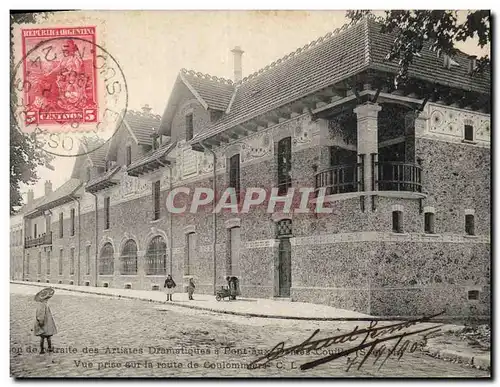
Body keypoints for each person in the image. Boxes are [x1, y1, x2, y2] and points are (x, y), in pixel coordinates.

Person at [33, 287, 57, 354]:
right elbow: (40, 315)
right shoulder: (42, 305)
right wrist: (41, 321)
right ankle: (43, 349)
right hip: (44, 323)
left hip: (47, 323)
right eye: (46, 299)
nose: (47, 300)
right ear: (44, 299)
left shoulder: (43, 305)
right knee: (45, 337)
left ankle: (47, 348)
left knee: (45, 337)